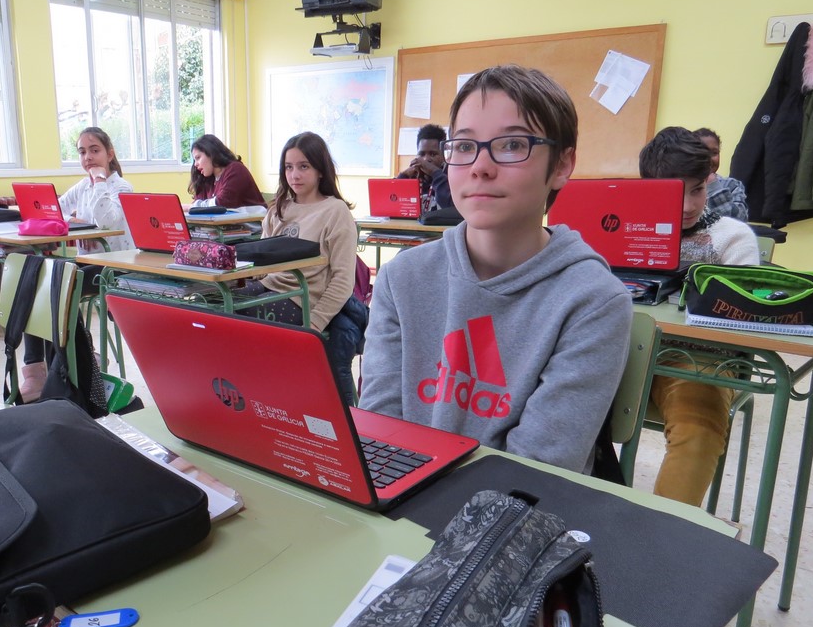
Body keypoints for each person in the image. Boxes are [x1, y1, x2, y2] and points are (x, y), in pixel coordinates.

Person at [360, 65, 633, 475]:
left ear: (562, 165)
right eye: (464, 146)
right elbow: (379, 432)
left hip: (518, 504)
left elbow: (537, 470)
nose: (480, 167)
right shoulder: (403, 278)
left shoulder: (593, 300)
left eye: (512, 145)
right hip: (403, 496)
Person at [640, 126, 760, 506]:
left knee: (699, 428)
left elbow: (743, 323)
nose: (688, 205)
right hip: (628, 351)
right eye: (674, 193)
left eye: (696, 190)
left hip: (700, 359)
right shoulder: (628, 229)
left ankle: (661, 535)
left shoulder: (732, 238)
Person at [236, 131, 362, 403]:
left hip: (302, 299)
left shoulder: (335, 211)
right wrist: (240, 277)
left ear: (320, 170)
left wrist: (315, 323)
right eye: (289, 167)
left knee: (242, 317)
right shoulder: (279, 208)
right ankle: (242, 396)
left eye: (304, 166)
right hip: (269, 286)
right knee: (216, 307)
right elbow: (262, 264)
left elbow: (343, 280)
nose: (295, 175)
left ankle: (265, 398)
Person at [20, 126, 133, 401]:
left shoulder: (121, 187)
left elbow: (106, 221)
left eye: (94, 150)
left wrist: (101, 181)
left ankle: (78, 357)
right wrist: (75, 221)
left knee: (61, 283)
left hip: (115, 267)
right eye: (82, 152)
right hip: (86, 263)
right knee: (35, 277)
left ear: (109, 154)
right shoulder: (82, 186)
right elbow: (51, 211)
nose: (88, 157)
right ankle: (35, 370)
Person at [187, 134, 267, 211]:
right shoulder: (208, 179)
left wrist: (191, 207)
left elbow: (222, 203)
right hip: (228, 220)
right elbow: (198, 204)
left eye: (198, 157)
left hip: (253, 220)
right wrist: (193, 206)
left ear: (211, 153)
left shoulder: (236, 169)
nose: (195, 164)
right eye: (194, 160)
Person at [693, 127, 749, 222]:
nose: (709, 159)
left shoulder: (732, 185)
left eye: (714, 153)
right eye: (702, 152)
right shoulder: (683, 184)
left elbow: (739, 222)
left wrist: (714, 187)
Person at [396, 123, 453, 213]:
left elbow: (451, 206)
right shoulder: (413, 176)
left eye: (433, 154)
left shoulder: (451, 176)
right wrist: (404, 175)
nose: (426, 159)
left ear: (443, 155)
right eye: (421, 154)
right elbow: (392, 202)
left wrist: (434, 172)